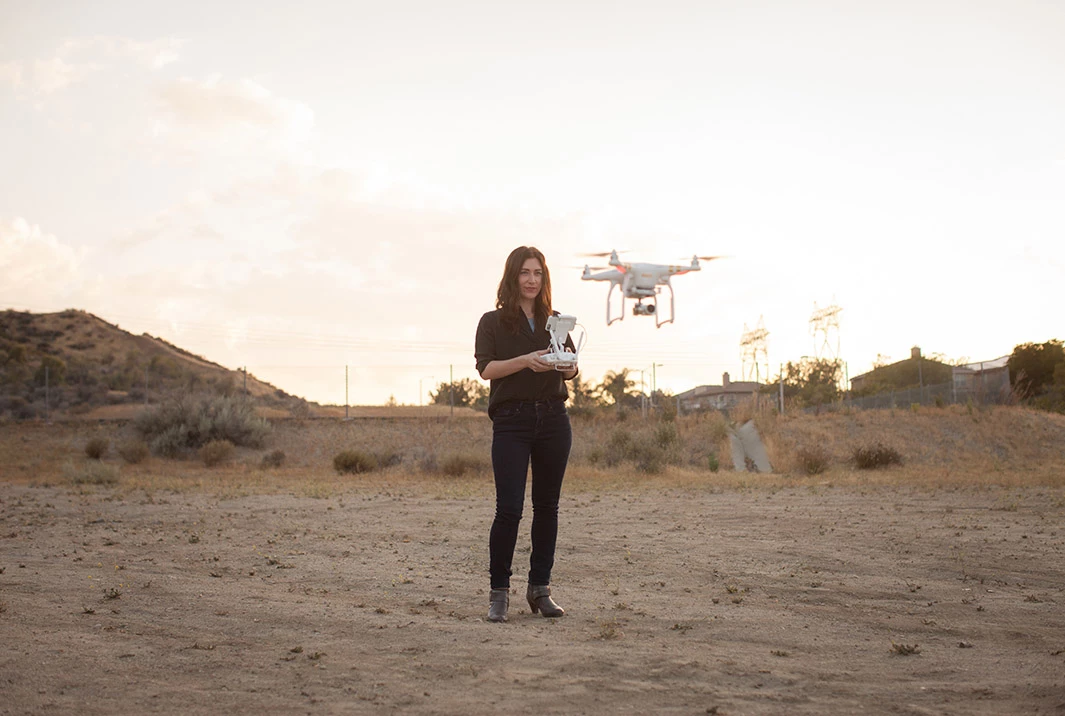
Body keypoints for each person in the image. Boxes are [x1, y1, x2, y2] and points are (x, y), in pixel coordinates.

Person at [474, 246, 579, 622]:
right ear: (512, 277)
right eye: (525, 273)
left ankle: (540, 589)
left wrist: (567, 367)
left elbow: (569, 369)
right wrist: (525, 361)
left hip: (553, 419)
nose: (532, 280)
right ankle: (499, 593)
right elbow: (486, 370)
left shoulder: (556, 321)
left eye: (537, 273)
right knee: (510, 509)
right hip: (512, 422)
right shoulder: (493, 322)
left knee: (547, 508)